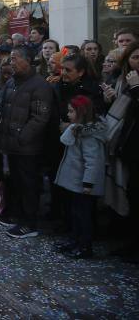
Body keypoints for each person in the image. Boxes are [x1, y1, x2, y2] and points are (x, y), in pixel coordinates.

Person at [0, 45, 53, 239]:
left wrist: (22, 137)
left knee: (29, 185)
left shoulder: (40, 85)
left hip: (27, 147)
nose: (11, 63)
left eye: (14, 59)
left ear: (27, 60)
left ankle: (30, 223)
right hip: (11, 144)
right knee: (17, 183)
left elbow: (40, 117)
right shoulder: (12, 82)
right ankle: (18, 215)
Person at [54, 95, 107, 259]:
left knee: (83, 216)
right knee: (75, 213)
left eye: (71, 111)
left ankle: (84, 246)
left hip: (82, 183)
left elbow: (93, 161)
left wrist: (88, 183)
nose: (68, 115)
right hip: (75, 181)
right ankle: (75, 240)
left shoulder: (89, 136)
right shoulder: (78, 130)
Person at [106, 41, 139, 261]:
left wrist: (137, 89)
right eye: (135, 57)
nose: (137, 62)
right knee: (131, 195)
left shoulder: (134, 85)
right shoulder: (125, 82)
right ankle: (130, 243)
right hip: (128, 147)